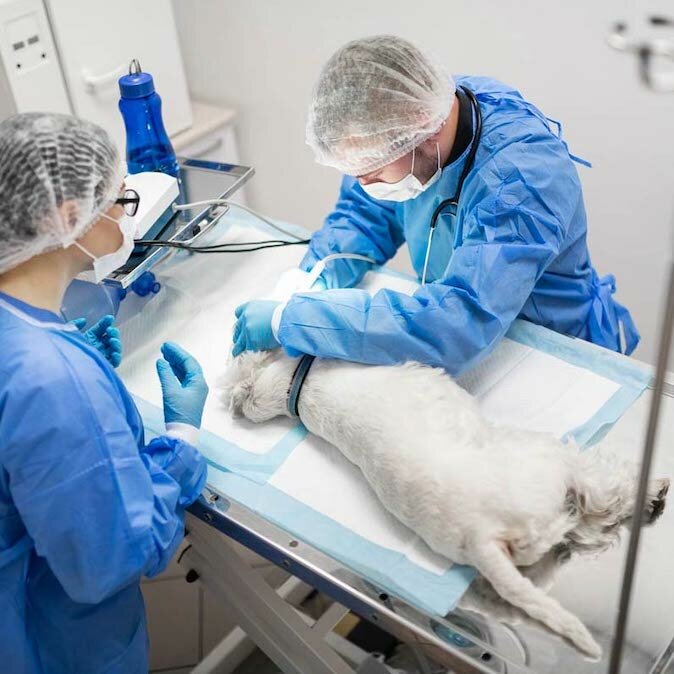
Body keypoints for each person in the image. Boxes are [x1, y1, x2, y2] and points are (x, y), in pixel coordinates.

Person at [233, 35, 638, 374]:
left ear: (426, 132)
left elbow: (458, 323)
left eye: (372, 170)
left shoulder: (520, 180)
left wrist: (296, 320)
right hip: (472, 333)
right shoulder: (404, 118)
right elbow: (363, 215)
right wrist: (312, 277)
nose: (363, 183)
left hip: (552, 353)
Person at [0, 112, 209, 674]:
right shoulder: (51, 381)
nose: (127, 214)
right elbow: (111, 556)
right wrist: (181, 443)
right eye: (121, 200)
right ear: (69, 218)